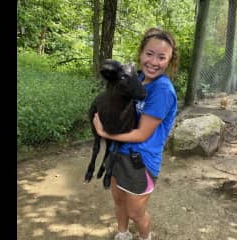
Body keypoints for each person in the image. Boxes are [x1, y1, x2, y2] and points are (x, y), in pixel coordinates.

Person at [93, 27, 179, 240]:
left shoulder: (162, 90)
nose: (153, 62)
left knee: (136, 212)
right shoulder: (137, 78)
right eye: (149, 54)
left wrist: (104, 132)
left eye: (161, 57)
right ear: (141, 54)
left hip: (140, 160)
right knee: (118, 199)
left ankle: (144, 237)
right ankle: (123, 234)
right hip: (117, 152)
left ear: (169, 61)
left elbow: (141, 135)